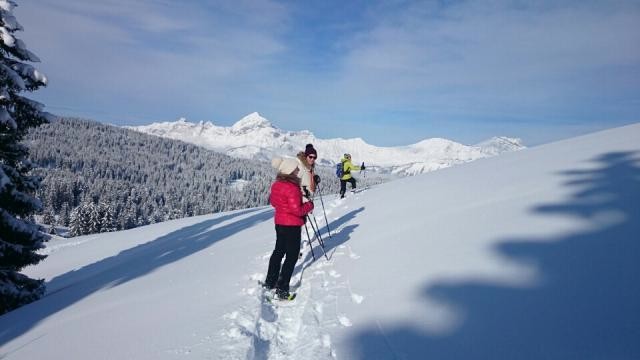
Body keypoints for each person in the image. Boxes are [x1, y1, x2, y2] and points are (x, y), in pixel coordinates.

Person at [264, 157, 314, 299]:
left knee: (278, 251)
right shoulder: (292, 188)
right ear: (290, 171)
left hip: (279, 222)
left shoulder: (276, 185)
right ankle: (282, 289)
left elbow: (274, 203)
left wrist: (284, 208)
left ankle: (270, 281)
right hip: (292, 225)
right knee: (291, 256)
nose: (298, 170)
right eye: (296, 169)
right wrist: (309, 205)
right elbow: (297, 210)